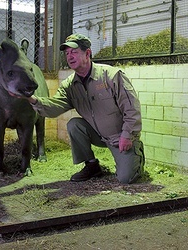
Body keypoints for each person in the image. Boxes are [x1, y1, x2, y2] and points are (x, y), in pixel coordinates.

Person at [26, 33, 145, 184]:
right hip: (97, 133)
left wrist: (128, 135)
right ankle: (92, 165)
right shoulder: (69, 85)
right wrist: (31, 98)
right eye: (67, 53)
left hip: (119, 136)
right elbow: (54, 108)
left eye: (74, 52)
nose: (69, 56)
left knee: (127, 178)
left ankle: (136, 155)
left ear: (87, 53)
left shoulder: (111, 75)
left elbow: (132, 108)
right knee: (74, 124)